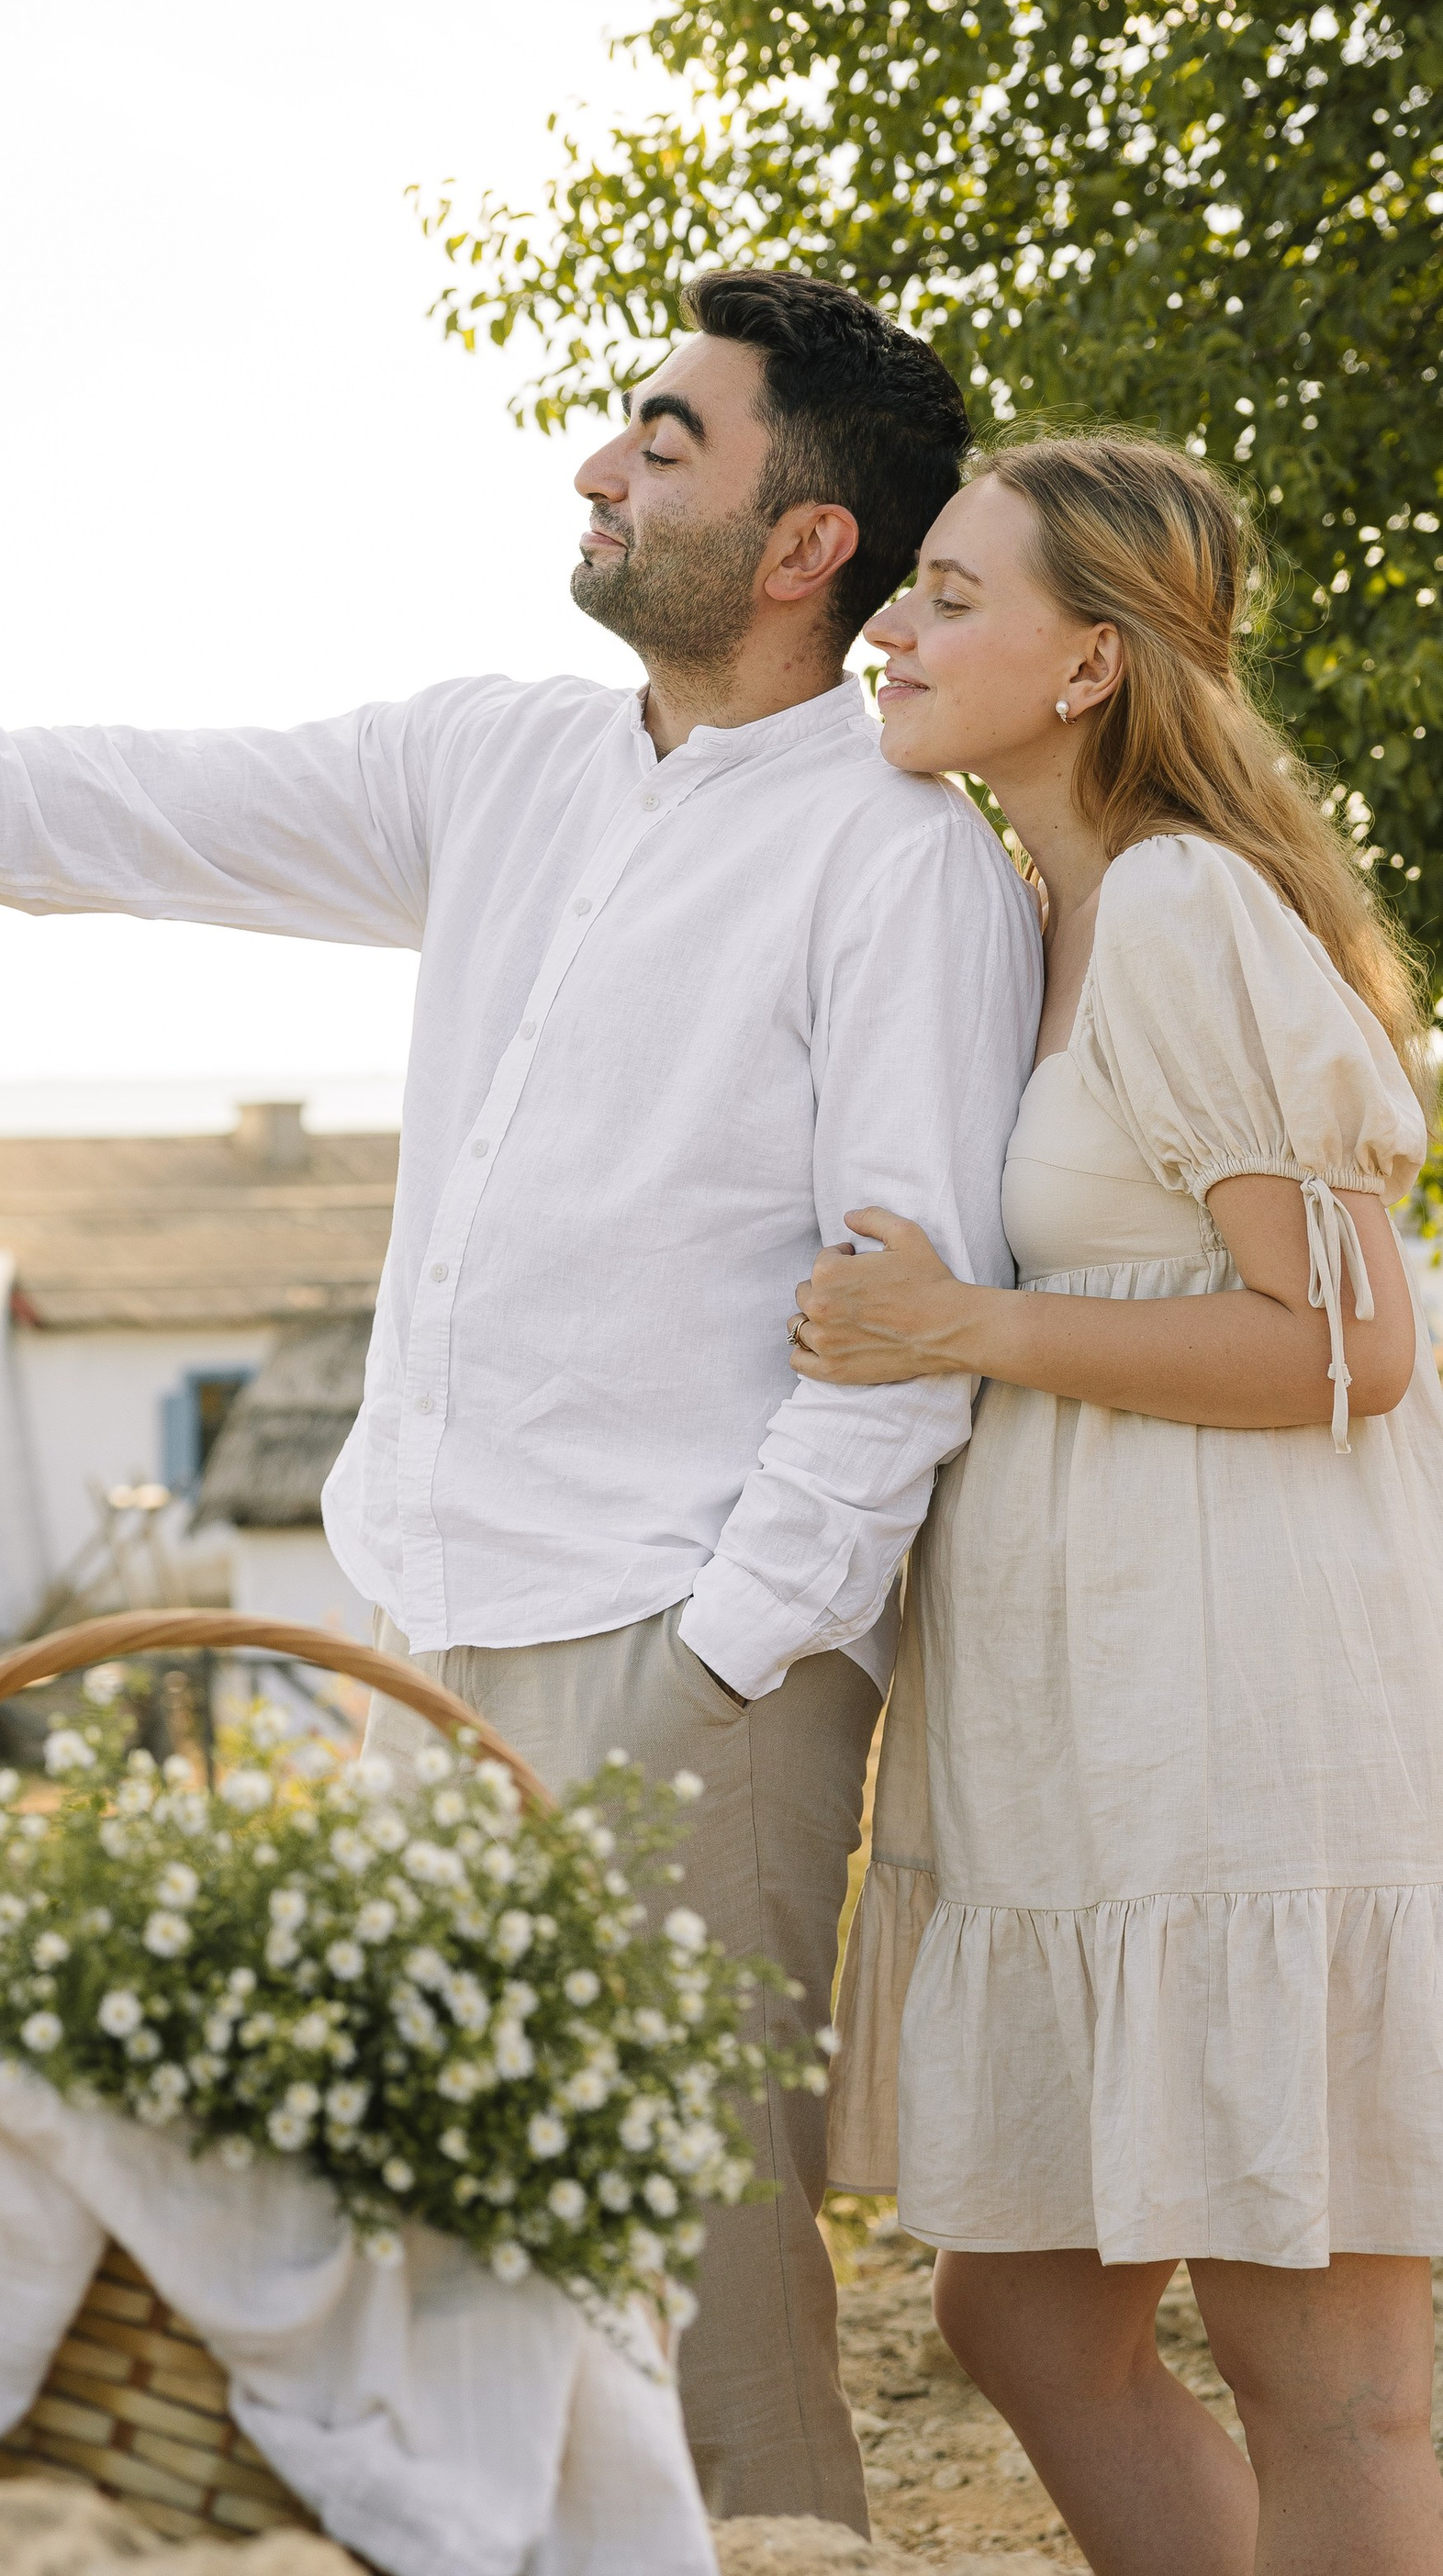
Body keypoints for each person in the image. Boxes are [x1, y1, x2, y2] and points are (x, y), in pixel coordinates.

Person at [0, 266, 1041, 2527]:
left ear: (803, 545)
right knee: (449, 2288)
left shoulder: (895, 868)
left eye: (666, 442)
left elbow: (910, 1320)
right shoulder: (496, 759)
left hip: (683, 1655)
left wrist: (722, 1651)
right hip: (418, 1614)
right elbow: (125, 807)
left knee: (702, 2275)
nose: (597, 466)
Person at [801, 434, 1443, 2576]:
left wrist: (962, 1330)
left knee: (1325, 2368)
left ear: (1087, 664)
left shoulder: (1176, 906)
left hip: (1245, 1721)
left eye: (949, 596)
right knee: (1018, 2314)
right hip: (1085, 1733)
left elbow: (1343, 1346)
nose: (890, 624)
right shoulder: (1019, 918)